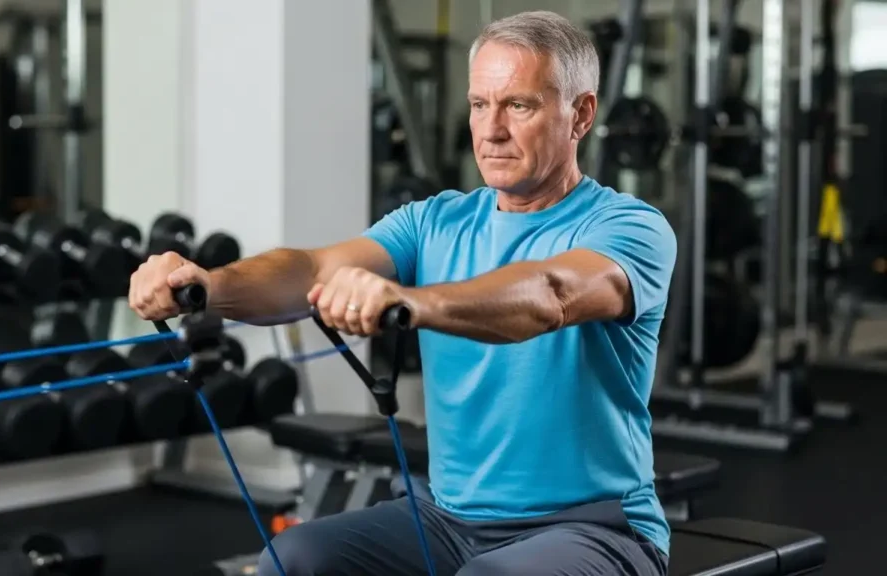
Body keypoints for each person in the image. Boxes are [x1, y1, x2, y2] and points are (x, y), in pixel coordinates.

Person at [129, 10, 675, 576]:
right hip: (447, 520)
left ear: (580, 114)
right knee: (294, 560)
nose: (491, 131)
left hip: (594, 526)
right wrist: (206, 286)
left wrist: (410, 302)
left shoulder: (629, 227)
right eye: (479, 105)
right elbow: (309, 270)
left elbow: (550, 294)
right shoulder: (432, 222)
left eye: (519, 105)